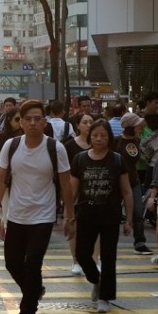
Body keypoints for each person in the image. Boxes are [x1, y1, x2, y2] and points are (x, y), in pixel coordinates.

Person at [0, 99, 74, 314]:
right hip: (16, 214)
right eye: (28, 119)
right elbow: (0, 179)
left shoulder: (55, 148)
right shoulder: (12, 146)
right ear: (21, 123)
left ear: (45, 122)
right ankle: (34, 290)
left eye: (38, 119)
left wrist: (69, 215)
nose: (33, 123)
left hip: (43, 216)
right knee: (12, 263)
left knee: (33, 263)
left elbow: (66, 183)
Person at [69, 119, 133, 313]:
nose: (99, 139)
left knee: (108, 256)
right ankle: (96, 280)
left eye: (103, 135)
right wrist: (68, 215)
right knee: (81, 254)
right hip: (86, 213)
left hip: (110, 214)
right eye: (95, 135)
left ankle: (105, 297)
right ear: (90, 137)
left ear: (109, 138)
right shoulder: (80, 159)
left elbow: (127, 191)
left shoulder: (117, 159)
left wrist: (129, 219)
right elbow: (72, 191)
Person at [115, 111, 152, 255]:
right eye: (137, 125)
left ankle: (140, 242)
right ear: (129, 126)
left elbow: (140, 158)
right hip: (117, 182)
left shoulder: (137, 140)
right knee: (113, 212)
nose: (140, 127)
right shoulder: (116, 141)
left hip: (134, 180)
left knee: (138, 211)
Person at [64, 112, 94, 275]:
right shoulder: (69, 146)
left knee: (96, 227)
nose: (88, 125)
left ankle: (95, 260)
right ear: (77, 125)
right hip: (75, 190)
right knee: (73, 224)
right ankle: (76, 261)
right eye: (85, 122)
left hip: (95, 189)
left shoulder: (99, 143)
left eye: (91, 122)